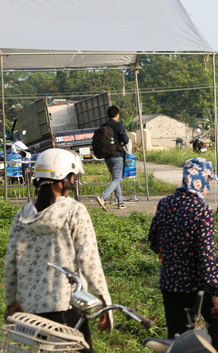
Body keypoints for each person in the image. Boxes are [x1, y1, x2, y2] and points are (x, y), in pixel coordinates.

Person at [5, 149, 112, 353]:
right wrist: (104, 300)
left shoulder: (23, 214)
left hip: (30, 311)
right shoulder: (74, 211)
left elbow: (11, 262)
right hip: (66, 307)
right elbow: (89, 260)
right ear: (66, 179)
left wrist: (12, 301)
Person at [148, 158, 218, 351]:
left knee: (177, 337)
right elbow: (206, 255)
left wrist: (165, 250)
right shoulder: (202, 210)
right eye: (209, 179)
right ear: (201, 178)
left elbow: (153, 239)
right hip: (195, 285)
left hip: (169, 283)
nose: (209, 184)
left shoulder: (165, 203)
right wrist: (216, 291)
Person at [96, 105, 130, 210]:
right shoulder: (118, 125)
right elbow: (126, 139)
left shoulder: (103, 126)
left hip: (107, 156)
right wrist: (121, 142)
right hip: (117, 155)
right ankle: (103, 196)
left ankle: (120, 202)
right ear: (117, 115)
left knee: (116, 178)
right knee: (117, 178)